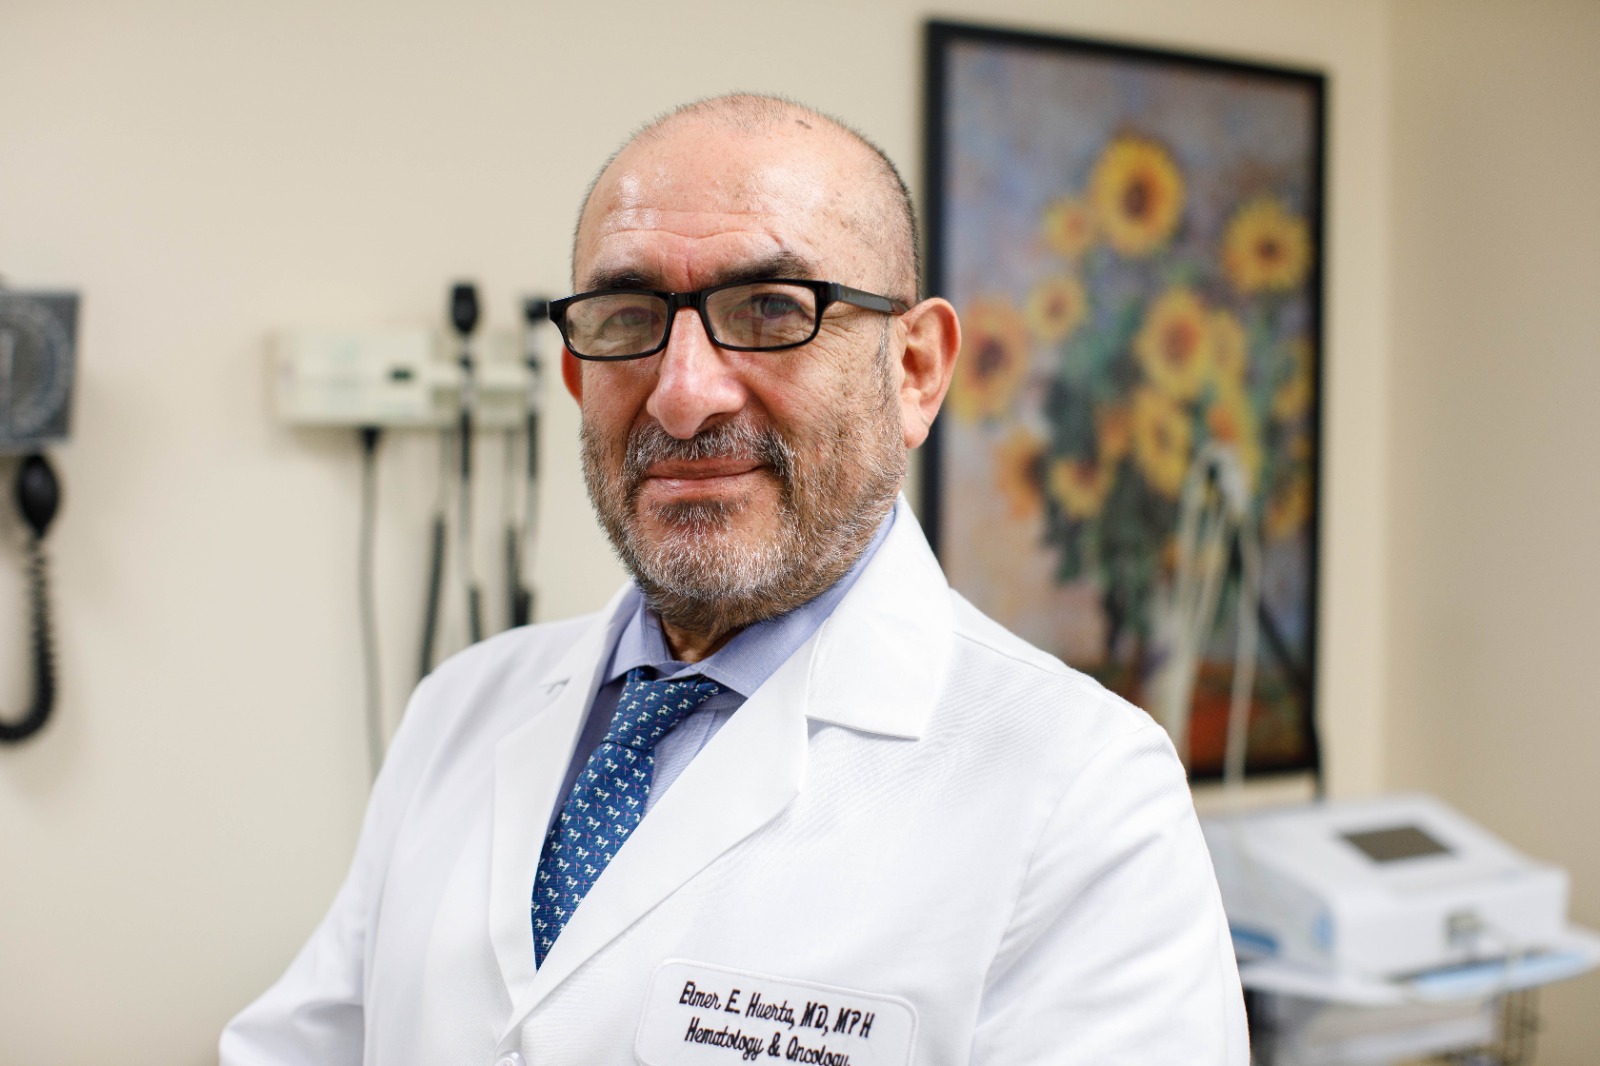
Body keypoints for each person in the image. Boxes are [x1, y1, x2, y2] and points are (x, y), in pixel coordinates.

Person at [221, 94, 1247, 1065]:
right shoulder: (460, 707)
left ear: (916, 369)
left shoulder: (1083, 793)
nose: (682, 396)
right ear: (577, 375)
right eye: (628, 316)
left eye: (768, 308)